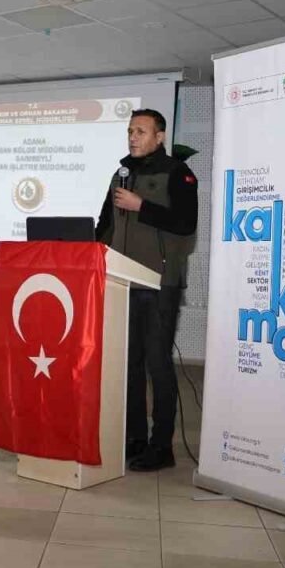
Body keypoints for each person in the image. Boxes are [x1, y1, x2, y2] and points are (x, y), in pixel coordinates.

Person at [94, 109, 198, 472]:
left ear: (160, 136)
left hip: (158, 284)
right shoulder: (121, 174)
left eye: (141, 131)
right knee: (129, 364)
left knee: (157, 364)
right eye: (130, 131)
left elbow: (185, 224)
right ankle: (134, 437)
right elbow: (105, 224)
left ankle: (161, 446)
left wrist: (142, 206)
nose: (133, 137)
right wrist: (93, 253)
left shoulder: (178, 173)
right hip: (122, 281)